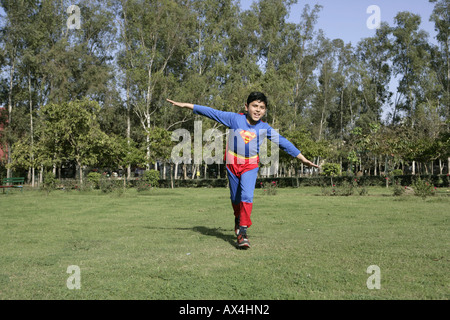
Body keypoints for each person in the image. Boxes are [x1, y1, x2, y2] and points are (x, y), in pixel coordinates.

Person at [166, 92, 319, 249]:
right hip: (232, 163)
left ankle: (242, 233)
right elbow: (211, 112)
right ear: (246, 107)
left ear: (265, 111)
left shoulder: (264, 128)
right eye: (254, 106)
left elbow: (283, 142)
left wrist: (302, 158)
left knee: (247, 195)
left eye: (262, 107)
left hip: (250, 165)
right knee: (235, 199)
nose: (258, 110)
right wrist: (187, 105)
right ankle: (238, 218)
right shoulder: (235, 119)